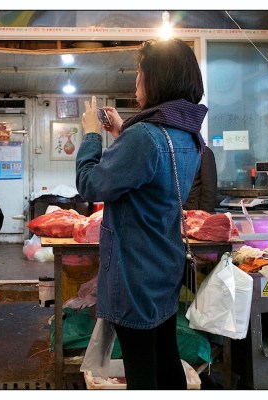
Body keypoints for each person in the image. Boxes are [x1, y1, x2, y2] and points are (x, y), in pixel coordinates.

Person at [75, 38, 207, 390]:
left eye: (139, 72)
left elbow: (90, 185)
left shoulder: (145, 137)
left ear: (157, 78)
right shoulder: (187, 134)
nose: (136, 80)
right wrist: (123, 131)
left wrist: (91, 136)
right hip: (164, 264)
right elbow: (154, 172)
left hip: (134, 272)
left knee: (142, 370)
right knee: (165, 356)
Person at [184, 145, 218, 212]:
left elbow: (209, 188)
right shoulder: (169, 151)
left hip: (194, 210)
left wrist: (203, 214)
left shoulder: (203, 151)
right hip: (172, 209)